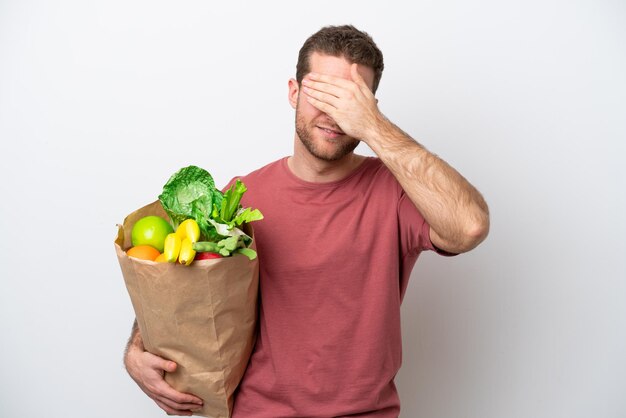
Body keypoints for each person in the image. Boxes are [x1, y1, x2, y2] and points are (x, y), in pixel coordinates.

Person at [124, 24, 489, 417]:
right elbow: (182, 284)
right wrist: (136, 348)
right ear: (294, 93)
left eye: (350, 101)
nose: (335, 114)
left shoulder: (396, 191)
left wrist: (373, 126)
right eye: (322, 94)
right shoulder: (239, 199)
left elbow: (469, 226)